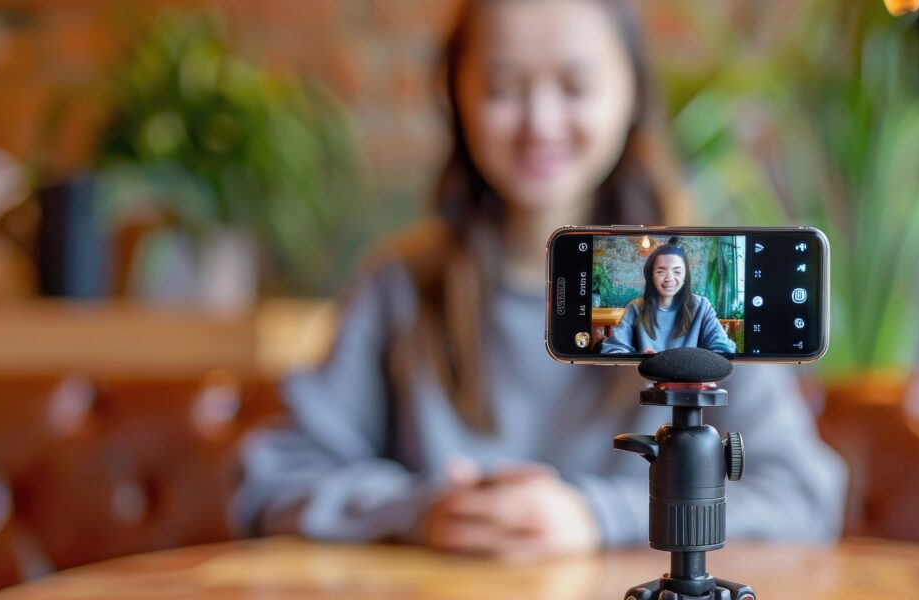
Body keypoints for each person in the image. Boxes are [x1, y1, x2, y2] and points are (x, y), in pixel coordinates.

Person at [232, 0, 846, 560]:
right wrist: (420, 512)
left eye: (575, 85)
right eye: (502, 87)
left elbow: (802, 495)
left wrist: (596, 516)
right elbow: (269, 479)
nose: (540, 121)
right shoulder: (400, 287)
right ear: (457, 95)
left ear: (631, 92)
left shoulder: (704, 290)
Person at [601, 240, 736, 354]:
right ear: (651, 276)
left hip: (690, 382)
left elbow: (723, 349)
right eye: (661, 272)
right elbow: (614, 349)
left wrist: (694, 364)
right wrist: (639, 360)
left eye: (677, 271)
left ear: (685, 276)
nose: (669, 278)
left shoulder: (701, 306)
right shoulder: (636, 308)